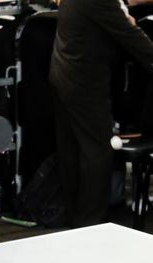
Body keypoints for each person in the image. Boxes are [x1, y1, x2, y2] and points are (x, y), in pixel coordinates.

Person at [49, 0, 153, 228]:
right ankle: (90, 225)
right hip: (83, 80)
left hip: (65, 71)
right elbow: (132, 37)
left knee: (73, 152)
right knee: (96, 152)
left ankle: (76, 219)